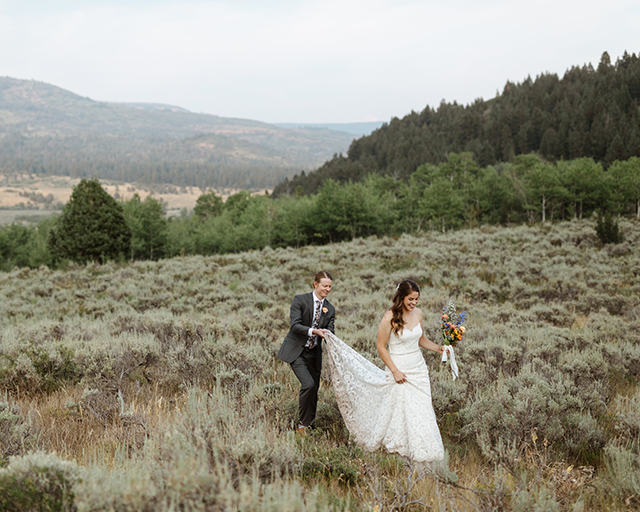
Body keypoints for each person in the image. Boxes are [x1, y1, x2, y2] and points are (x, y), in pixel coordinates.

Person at [323, 279, 447, 463]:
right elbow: (380, 347)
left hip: (418, 368)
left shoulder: (418, 314)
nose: (414, 303)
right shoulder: (390, 316)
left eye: (416, 299)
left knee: (421, 408)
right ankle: (399, 448)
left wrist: (439, 348)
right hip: (399, 367)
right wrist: (395, 371)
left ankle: (424, 449)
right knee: (401, 407)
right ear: (402, 297)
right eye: (410, 299)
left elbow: (420, 339)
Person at [277, 270, 336, 433]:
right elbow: (295, 326)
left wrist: (330, 336)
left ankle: (310, 424)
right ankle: (302, 426)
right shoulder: (300, 300)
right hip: (297, 352)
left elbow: (330, 331)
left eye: (330, 286)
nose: (328, 289)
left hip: (314, 354)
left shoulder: (330, 309)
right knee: (308, 384)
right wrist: (314, 331)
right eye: (325, 286)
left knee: (314, 390)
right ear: (315, 284)